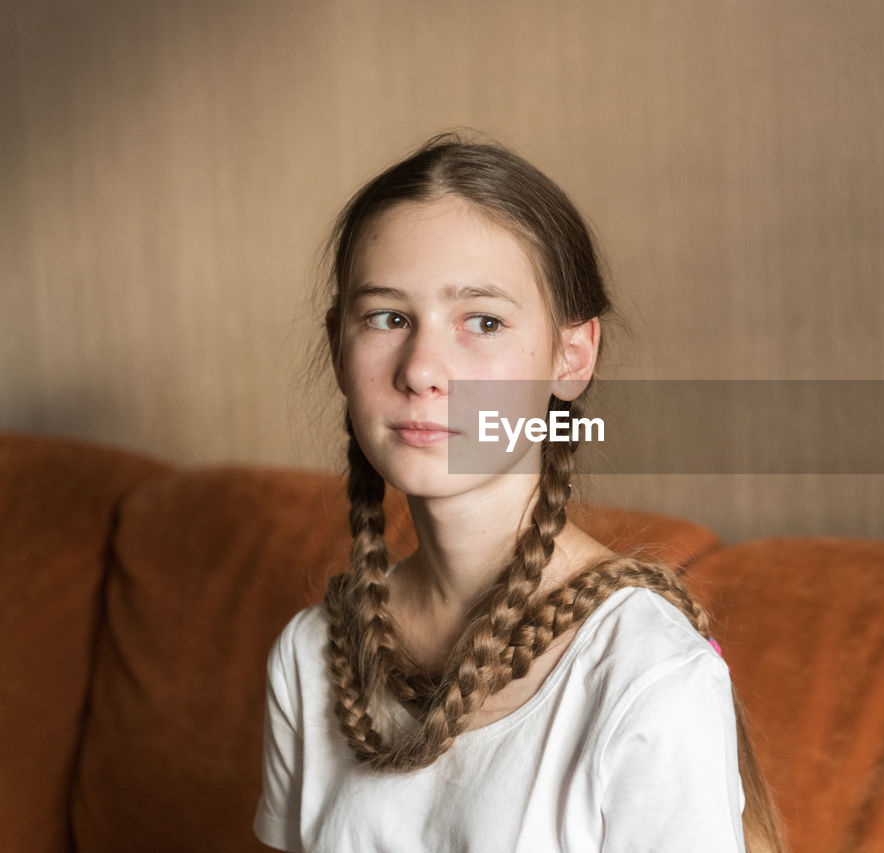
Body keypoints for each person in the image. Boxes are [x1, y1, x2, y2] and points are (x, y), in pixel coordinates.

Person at [252, 133, 787, 852]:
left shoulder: (645, 672)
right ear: (339, 349)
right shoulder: (309, 654)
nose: (422, 369)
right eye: (387, 316)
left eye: (482, 321)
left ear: (572, 356)